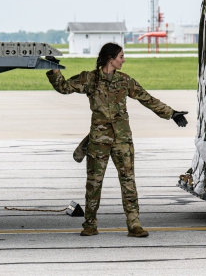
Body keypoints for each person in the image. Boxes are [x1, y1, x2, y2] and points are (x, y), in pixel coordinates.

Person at [46, 43, 188, 237]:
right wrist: (54, 68)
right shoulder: (90, 78)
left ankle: (134, 224)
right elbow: (63, 87)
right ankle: (89, 224)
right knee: (94, 183)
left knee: (128, 182)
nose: (124, 60)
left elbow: (147, 98)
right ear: (110, 59)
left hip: (122, 140)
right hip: (99, 141)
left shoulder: (124, 81)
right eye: (121, 56)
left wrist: (171, 113)